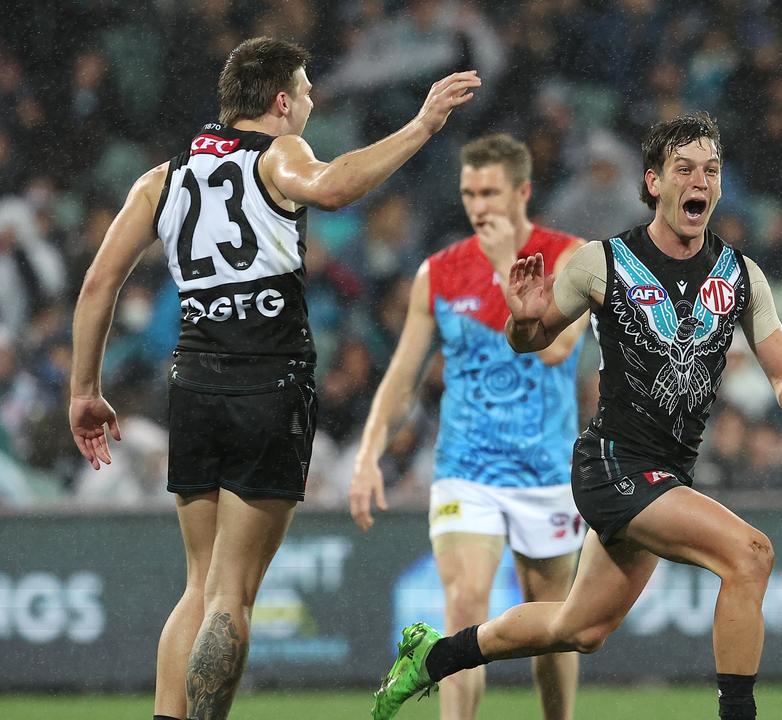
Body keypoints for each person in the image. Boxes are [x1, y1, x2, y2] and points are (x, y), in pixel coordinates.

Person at [67, 36, 480, 720]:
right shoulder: (280, 153)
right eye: (308, 92)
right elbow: (337, 186)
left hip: (194, 383)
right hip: (270, 383)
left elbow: (96, 286)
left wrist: (85, 391)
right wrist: (421, 126)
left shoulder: (162, 177)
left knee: (198, 584)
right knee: (233, 596)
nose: (313, 104)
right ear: (281, 101)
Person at [370, 111, 782, 720]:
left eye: (711, 170)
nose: (700, 181)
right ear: (654, 182)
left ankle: (434, 657)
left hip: (665, 475)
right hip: (612, 465)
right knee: (750, 554)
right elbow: (529, 341)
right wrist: (524, 316)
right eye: (684, 169)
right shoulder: (602, 263)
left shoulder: (741, 276)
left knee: (578, 628)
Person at [349, 133, 589, 720]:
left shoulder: (569, 256)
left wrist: (509, 267)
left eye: (490, 192)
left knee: (555, 625)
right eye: (468, 192)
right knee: (463, 607)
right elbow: (403, 375)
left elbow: (559, 353)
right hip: (467, 467)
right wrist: (367, 455)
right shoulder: (440, 273)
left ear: (523, 191)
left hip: (547, 470)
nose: (478, 205)